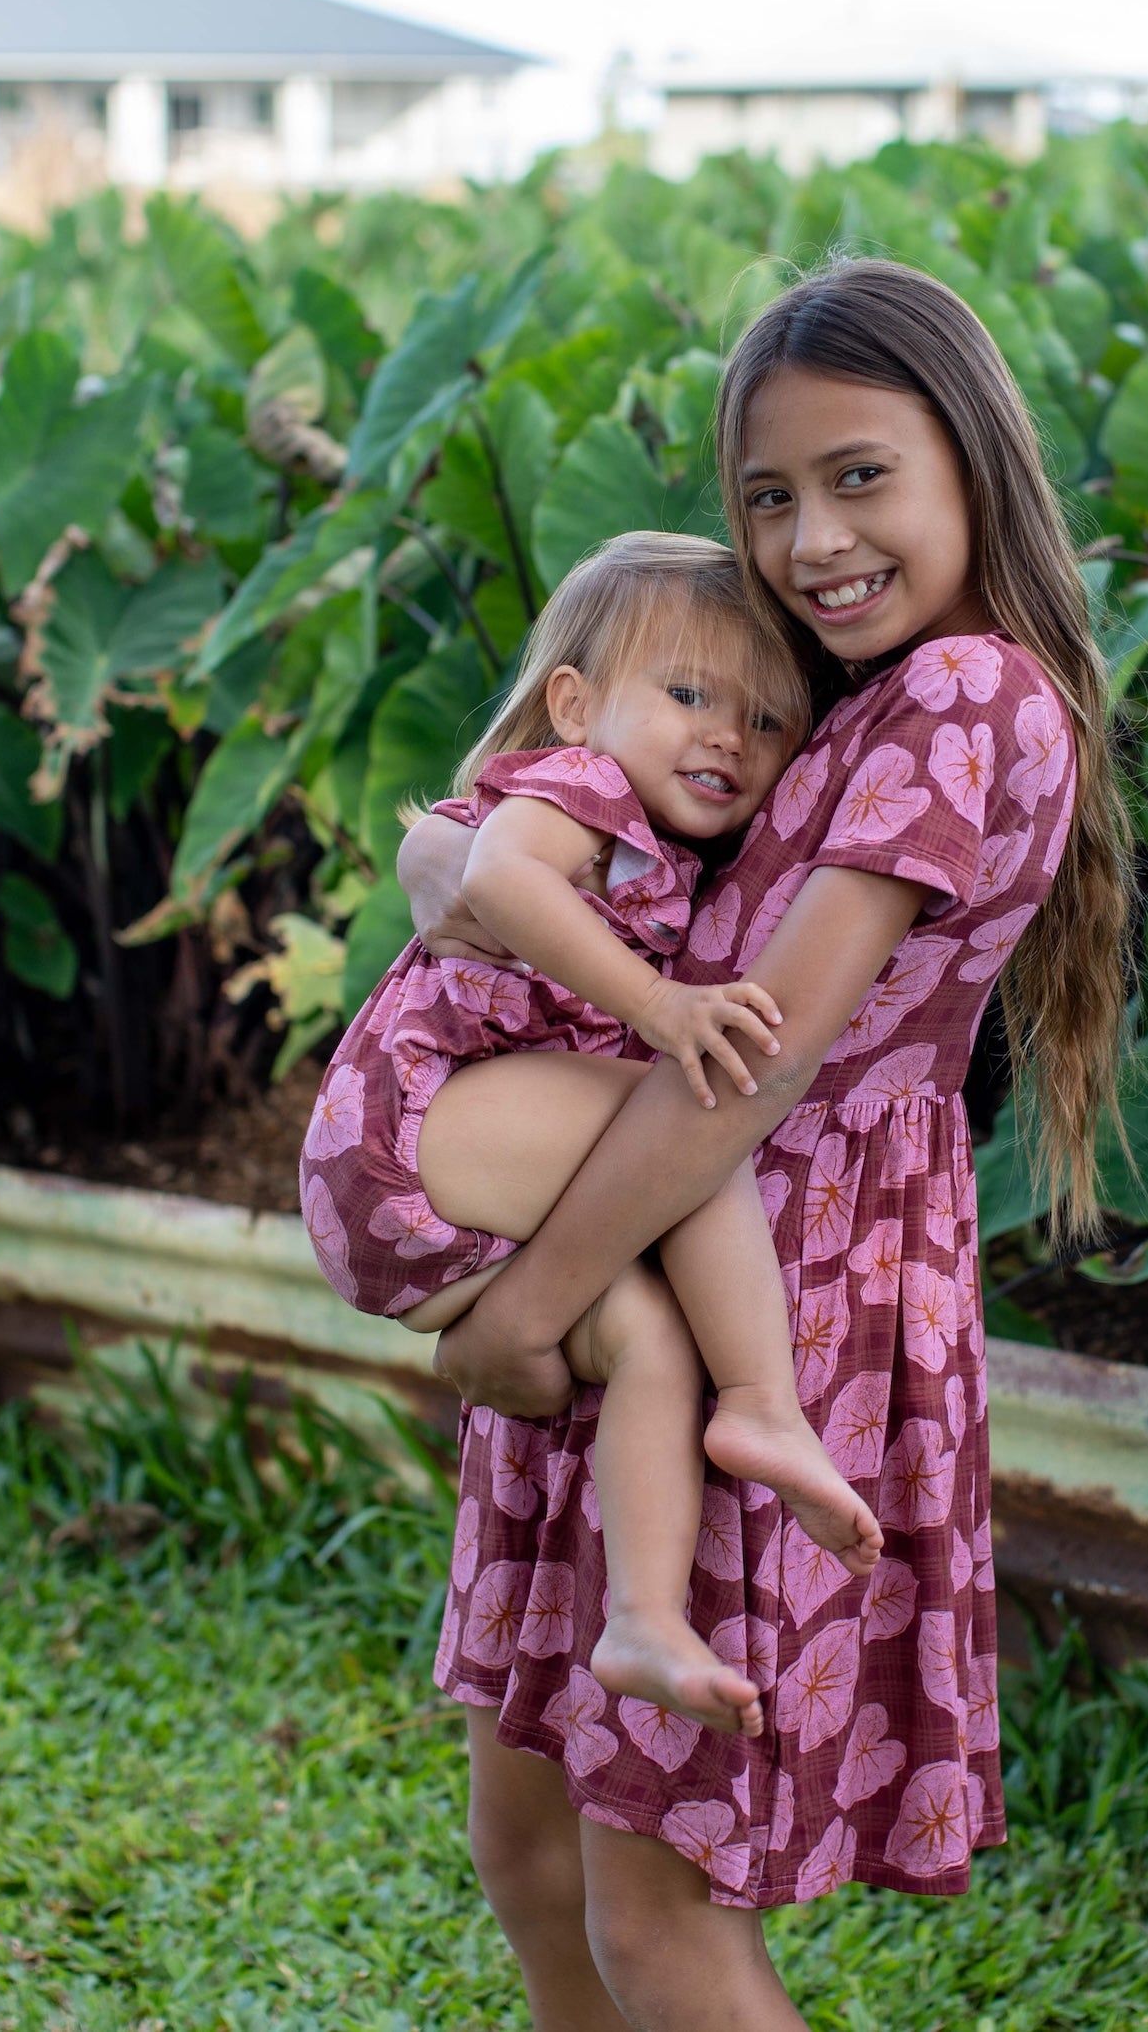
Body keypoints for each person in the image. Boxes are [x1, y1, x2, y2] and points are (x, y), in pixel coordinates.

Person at [399, 257, 1136, 2031]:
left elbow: (760, 1057)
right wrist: (447, 866)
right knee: (532, 1834)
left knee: (653, 1902)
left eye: (859, 476)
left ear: (970, 457)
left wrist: (538, 1300)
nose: (813, 538)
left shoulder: (967, 700)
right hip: (657, 1234)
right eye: (768, 497)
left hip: (762, 1285)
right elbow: (513, 820)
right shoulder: (817, 688)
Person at [302, 531, 883, 1738]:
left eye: (767, 721)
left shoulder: (667, 847)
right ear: (574, 705)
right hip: (416, 1134)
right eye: (687, 696)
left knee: (647, 1348)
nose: (728, 735)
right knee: (690, 1128)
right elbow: (498, 883)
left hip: (444, 1215)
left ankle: (643, 1618)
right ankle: (764, 1401)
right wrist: (659, 1006)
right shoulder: (581, 791)